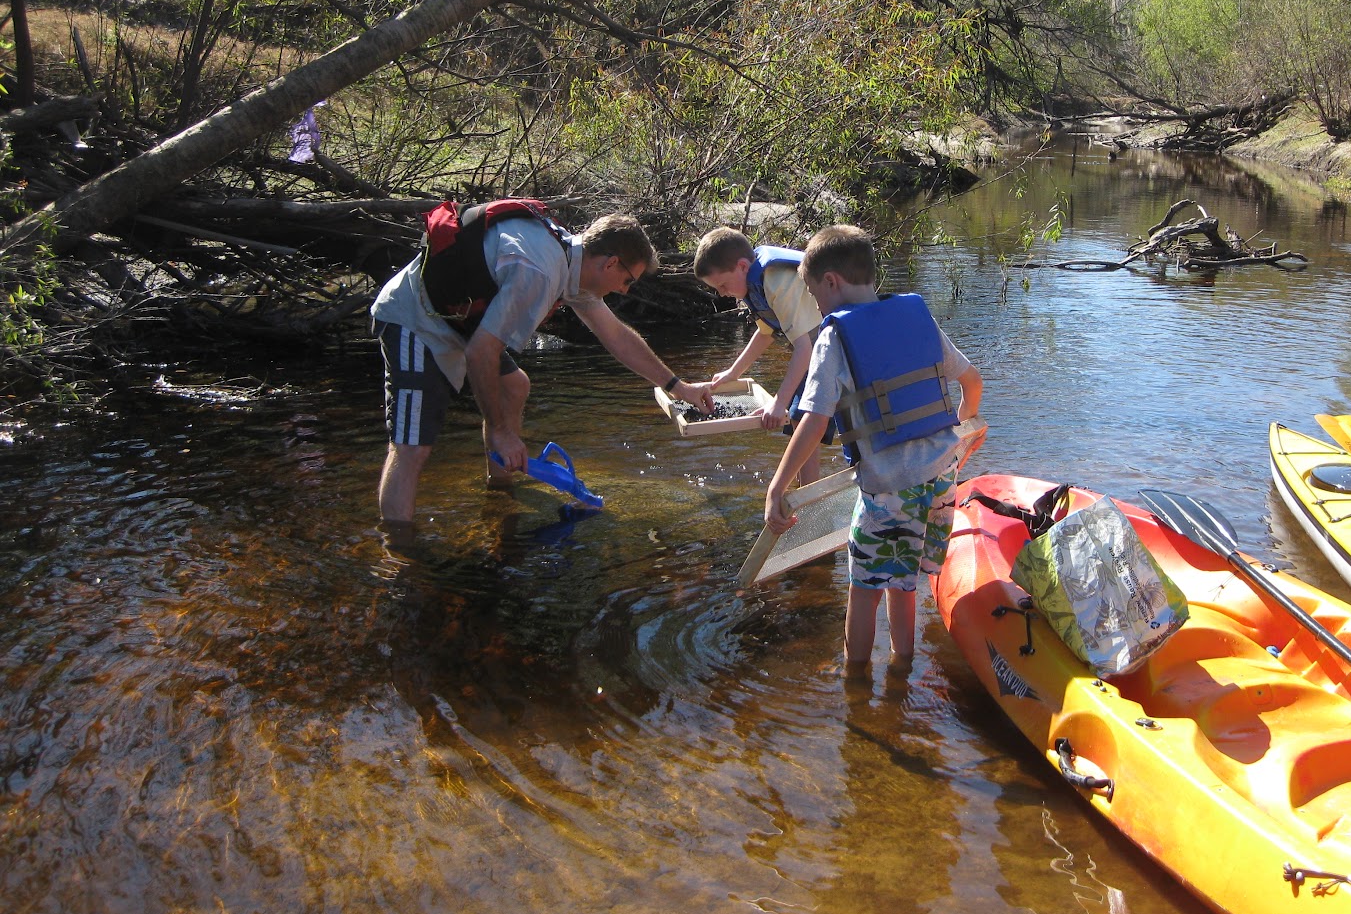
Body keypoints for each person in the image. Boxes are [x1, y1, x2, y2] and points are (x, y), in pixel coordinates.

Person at [372, 200, 714, 523]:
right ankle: (397, 552)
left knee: (515, 386)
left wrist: (678, 387)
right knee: (412, 448)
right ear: (610, 263)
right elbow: (480, 353)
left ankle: (500, 491)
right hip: (416, 319)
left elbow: (617, 337)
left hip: (461, 323)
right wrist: (501, 431)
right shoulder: (539, 272)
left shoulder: (570, 261)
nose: (625, 290)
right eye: (628, 280)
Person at [763, 224, 983, 674]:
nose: (815, 305)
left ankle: (856, 683)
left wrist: (777, 487)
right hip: (943, 478)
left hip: (889, 488)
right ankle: (902, 671)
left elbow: (814, 422)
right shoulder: (917, 316)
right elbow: (972, 381)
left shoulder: (835, 336)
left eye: (813, 293)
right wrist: (964, 435)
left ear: (831, 282)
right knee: (904, 584)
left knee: (863, 590)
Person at [690, 226, 827, 484]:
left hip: (835, 348)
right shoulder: (756, 284)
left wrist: (779, 402)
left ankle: (808, 494)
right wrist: (734, 372)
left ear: (743, 266)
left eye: (722, 285)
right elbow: (765, 332)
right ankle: (805, 492)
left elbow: (804, 348)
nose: (722, 293)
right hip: (819, 350)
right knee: (799, 421)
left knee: (802, 419)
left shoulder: (776, 281)